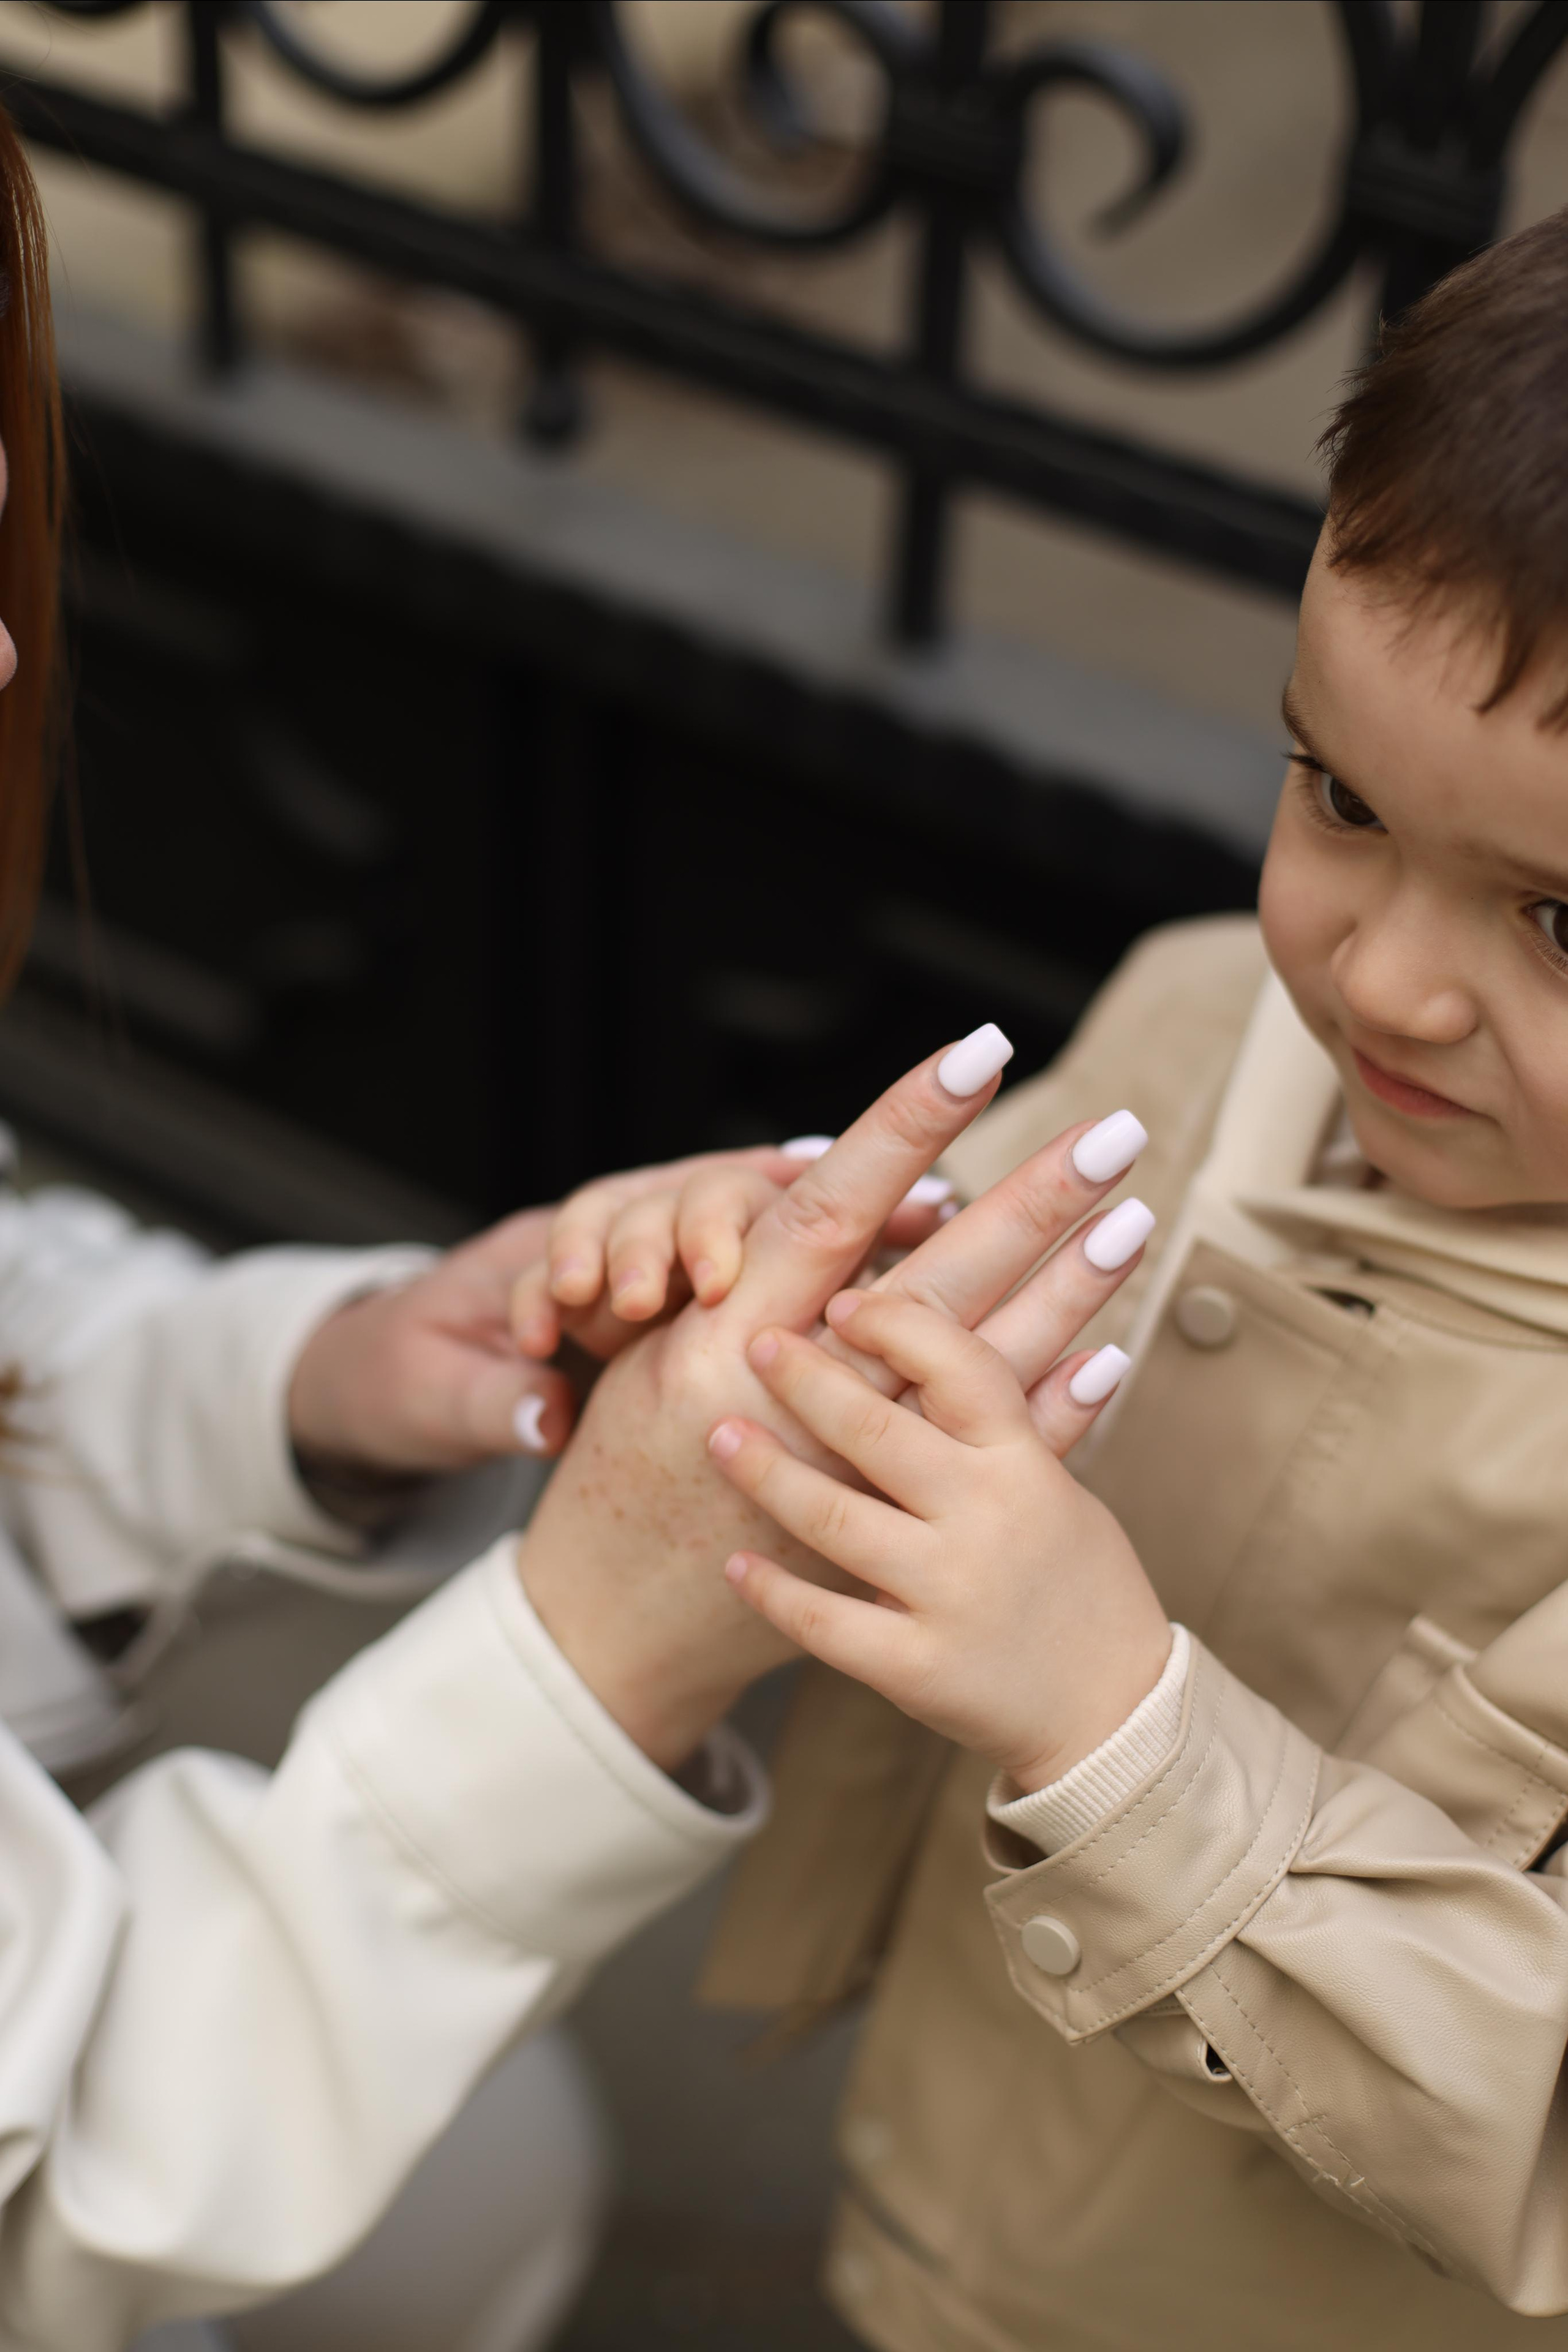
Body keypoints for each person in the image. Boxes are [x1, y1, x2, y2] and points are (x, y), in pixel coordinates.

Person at [517, 208, 1568, 2351]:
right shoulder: (1207, 1012)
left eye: (1562, 920)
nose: (1378, 977)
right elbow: (950, 1288)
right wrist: (770, 1311)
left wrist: (1120, 1725)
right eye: (1340, 793)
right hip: (954, 2196)